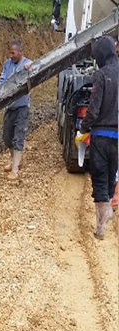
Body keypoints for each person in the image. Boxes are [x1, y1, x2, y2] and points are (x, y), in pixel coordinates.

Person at [76, 35, 118, 239]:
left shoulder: (101, 76)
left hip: (101, 135)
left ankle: (101, 223)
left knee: (99, 179)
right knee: (111, 178)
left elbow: (93, 109)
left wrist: (83, 129)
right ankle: (104, 217)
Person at [0, 39, 33, 180]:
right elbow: (1, 79)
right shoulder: (7, 64)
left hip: (22, 107)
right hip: (10, 106)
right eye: (10, 53)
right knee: (7, 138)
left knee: (18, 137)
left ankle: (15, 170)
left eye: (13, 53)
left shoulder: (27, 63)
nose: (11, 55)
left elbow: (34, 70)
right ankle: (15, 161)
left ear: (20, 52)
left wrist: (29, 68)